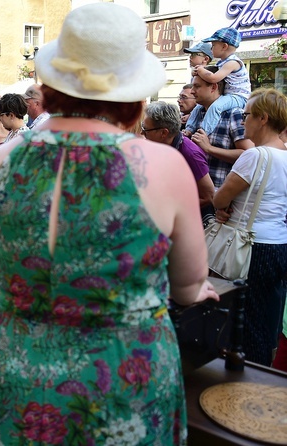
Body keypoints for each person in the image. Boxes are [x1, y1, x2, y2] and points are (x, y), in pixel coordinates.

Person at [0, 3, 219, 444]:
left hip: (19, 369)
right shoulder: (162, 166)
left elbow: (0, 247)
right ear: (133, 98)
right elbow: (187, 284)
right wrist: (195, 289)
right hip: (122, 380)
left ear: (50, 89)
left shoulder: (4, 159)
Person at [212, 88, 287, 367]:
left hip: (250, 246)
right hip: (278, 243)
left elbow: (220, 197)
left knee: (243, 318)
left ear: (263, 118)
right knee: (266, 316)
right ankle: (262, 371)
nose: (243, 121)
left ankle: (247, 379)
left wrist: (223, 207)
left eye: (246, 116)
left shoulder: (255, 156)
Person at [142, 102, 215, 221]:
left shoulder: (190, 154)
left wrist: (168, 209)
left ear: (163, 133)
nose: (142, 133)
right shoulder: (165, 146)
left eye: (146, 130)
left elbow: (209, 197)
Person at [189, 66, 253, 188]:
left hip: (219, 195)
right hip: (195, 191)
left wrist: (209, 148)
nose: (192, 91)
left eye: (197, 86)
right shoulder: (197, 113)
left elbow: (248, 155)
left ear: (214, 87)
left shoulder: (234, 114)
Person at [187, 28, 251, 136]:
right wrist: (198, 71)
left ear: (224, 46)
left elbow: (213, 78)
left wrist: (202, 70)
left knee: (216, 106)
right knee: (198, 107)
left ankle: (203, 132)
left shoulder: (233, 62)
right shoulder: (222, 63)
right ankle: (189, 128)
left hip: (239, 97)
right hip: (229, 96)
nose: (211, 48)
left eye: (213, 45)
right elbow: (210, 74)